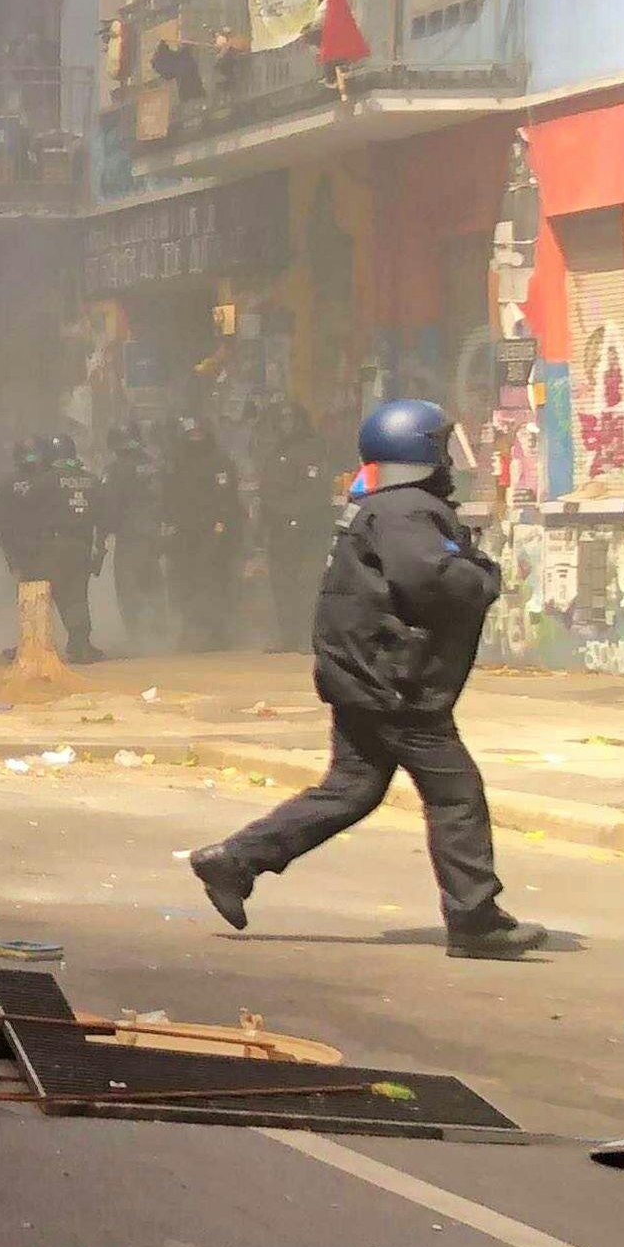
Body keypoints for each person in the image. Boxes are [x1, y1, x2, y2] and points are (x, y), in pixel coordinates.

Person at [189, 400, 538, 959]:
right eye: (441, 446)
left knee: (352, 789)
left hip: (364, 673)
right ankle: (475, 920)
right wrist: (486, 575)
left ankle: (235, 861)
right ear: (419, 452)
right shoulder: (406, 510)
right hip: (395, 682)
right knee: (456, 794)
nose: (449, 458)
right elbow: (433, 581)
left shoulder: (379, 505)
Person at [0, 435, 104, 662]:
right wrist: (99, 548)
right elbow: (104, 514)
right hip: (82, 545)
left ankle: (32, 645)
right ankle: (80, 644)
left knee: (38, 592)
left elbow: (24, 512)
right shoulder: (91, 479)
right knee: (76, 596)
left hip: (51, 546)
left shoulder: (45, 480)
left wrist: (21, 550)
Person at [252, 403, 335, 651]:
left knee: (307, 583)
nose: (285, 424)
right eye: (281, 420)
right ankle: (288, 636)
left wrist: (294, 517)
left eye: (289, 419)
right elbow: (269, 491)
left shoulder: (311, 450)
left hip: (306, 528)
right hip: (279, 528)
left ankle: (308, 637)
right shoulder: (277, 451)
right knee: (282, 584)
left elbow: (314, 492)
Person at [164, 414, 247, 650]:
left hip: (214, 533)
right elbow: (168, 496)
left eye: (199, 433)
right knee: (184, 582)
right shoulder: (177, 462)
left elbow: (227, 499)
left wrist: (221, 527)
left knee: (214, 581)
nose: (196, 438)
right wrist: (169, 523)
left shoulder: (220, 462)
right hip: (184, 532)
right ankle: (190, 630)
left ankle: (217, 633)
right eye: (191, 434)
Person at [101, 420, 170, 652]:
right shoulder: (153, 464)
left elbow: (110, 505)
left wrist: (104, 531)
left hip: (130, 537)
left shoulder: (116, 469)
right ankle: (162, 633)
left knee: (129, 589)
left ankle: (138, 639)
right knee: (153, 584)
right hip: (154, 534)